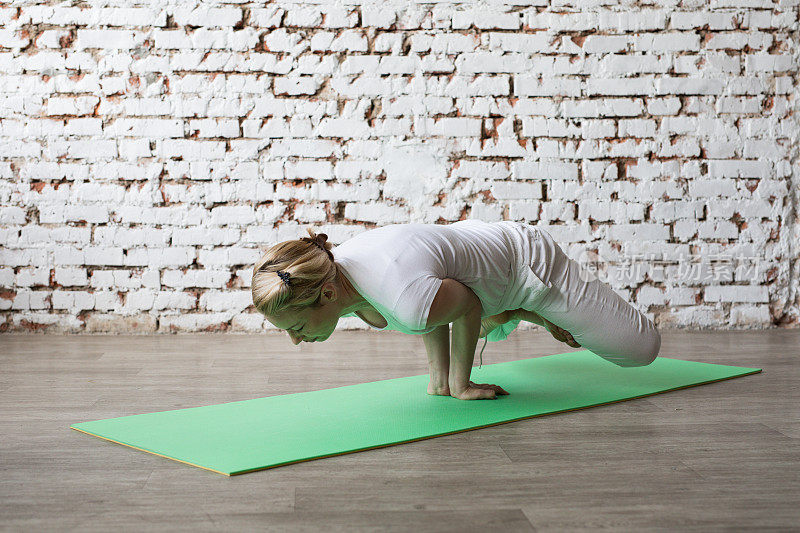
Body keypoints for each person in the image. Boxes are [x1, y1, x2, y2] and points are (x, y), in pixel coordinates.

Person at [251, 219, 661, 401]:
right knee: (461, 308)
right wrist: (438, 381)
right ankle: (514, 312)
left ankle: (529, 307)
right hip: (475, 263)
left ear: (326, 295)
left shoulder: (397, 294)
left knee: (639, 349)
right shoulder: (338, 271)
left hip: (524, 262)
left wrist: (461, 385)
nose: (295, 340)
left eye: (298, 326)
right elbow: (434, 308)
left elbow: (465, 307)